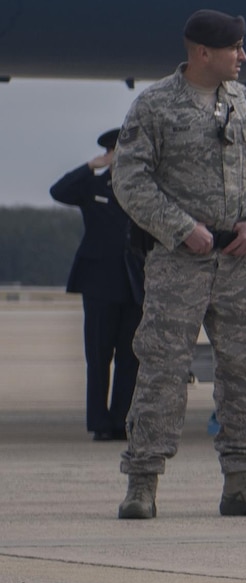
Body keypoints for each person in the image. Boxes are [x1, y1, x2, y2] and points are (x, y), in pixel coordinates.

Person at [111, 10, 246, 520]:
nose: (244, 56)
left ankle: (242, 481)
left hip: (238, 262)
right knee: (163, 371)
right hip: (178, 263)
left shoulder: (244, 102)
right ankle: (142, 482)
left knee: (244, 371)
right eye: (235, 48)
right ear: (202, 53)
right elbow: (130, 180)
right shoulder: (156, 106)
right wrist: (181, 227)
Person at [50, 129, 145, 441]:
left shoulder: (144, 189)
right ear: (109, 152)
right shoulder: (93, 185)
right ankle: (99, 422)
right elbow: (59, 191)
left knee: (130, 357)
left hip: (134, 282)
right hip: (99, 282)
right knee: (99, 355)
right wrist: (92, 165)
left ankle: (120, 421)